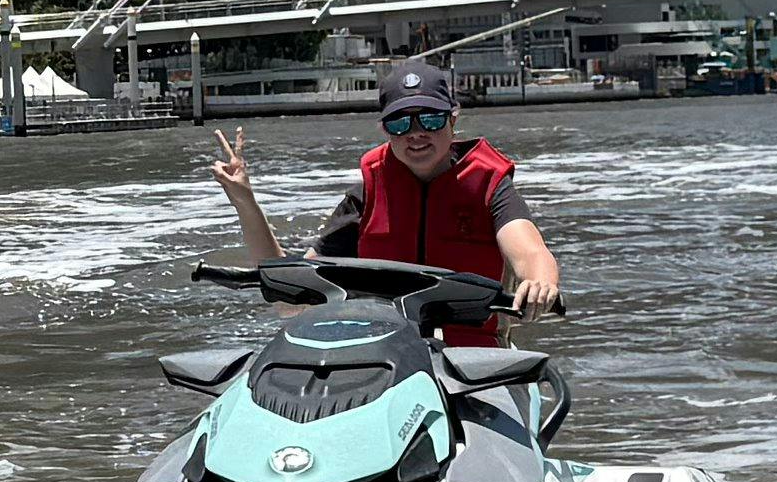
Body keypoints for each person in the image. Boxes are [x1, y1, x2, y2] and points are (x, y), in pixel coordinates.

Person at [210, 56, 566, 312]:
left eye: (430, 119)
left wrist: (540, 284)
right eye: (400, 123)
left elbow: (530, 252)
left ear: (453, 120)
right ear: (385, 130)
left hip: (473, 361)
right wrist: (245, 201)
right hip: (386, 356)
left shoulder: (489, 185)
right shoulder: (367, 194)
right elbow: (291, 298)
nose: (416, 134)